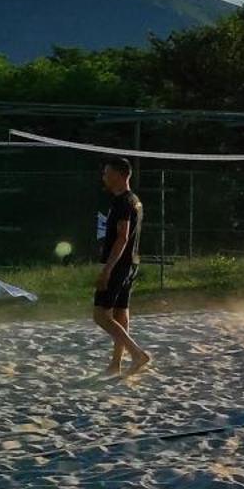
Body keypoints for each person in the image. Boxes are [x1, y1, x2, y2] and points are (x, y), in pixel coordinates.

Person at [94, 158, 151, 374]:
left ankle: (137, 354)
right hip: (131, 263)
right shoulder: (134, 200)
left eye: (108, 173)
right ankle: (115, 363)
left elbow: (122, 237)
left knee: (100, 315)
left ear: (120, 175)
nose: (104, 177)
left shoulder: (123, 202)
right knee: (120, 313)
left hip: (119, 264)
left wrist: (107, 269)